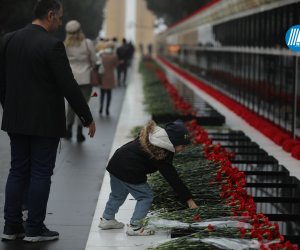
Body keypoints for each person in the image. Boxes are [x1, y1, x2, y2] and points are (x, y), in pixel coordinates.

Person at [0, 0, 96, 243]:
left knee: (17, 170)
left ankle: (11, 227)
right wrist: (86, 117)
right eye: (60, 17)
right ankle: (34, 228)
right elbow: (68, 85)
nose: (61, 22)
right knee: (41, 173)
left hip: (15, 118)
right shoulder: (51, 45)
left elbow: (2, 80)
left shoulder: (8, 40)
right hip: (44, 122)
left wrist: (8, 107)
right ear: (51, 15)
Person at [98, 120, 197, 236]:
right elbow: (172, 178)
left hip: (116, 162)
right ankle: (135, 227)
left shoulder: (154, 136)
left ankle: (107, 219)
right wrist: (189, 199)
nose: (183, 149)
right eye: (182, 146)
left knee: (117, 194)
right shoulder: (162, 151)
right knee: (145, 196)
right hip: (129, 169)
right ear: (174, 142)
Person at [64, 20, 96, 142]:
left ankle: (68, 129)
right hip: (86, 78)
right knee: (83, 105)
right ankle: (79, 132)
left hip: (71, 79)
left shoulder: (65, 45)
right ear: (80, 30)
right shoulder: (87, 43)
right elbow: (94, 59)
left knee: (71, 105)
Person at [99, 42, 119, 116]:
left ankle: (101, 107)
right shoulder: (114, 56)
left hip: (102, 76)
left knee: (102, 93)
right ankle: (107, 109)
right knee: (109, 94)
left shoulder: (102, 55)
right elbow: (116, 65)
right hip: (110, 77)